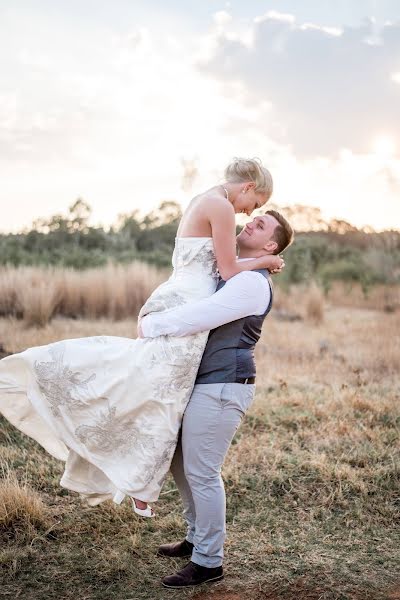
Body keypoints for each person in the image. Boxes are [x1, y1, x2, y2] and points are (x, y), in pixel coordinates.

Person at [0, 158, 283, 518]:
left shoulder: (204, 199)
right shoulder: (222, 207)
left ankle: (138, 480)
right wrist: (264, 263)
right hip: (190, 301)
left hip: (179, 292)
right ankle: (138, 483)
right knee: (161, 392)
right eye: (253, 205)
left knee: (151, 385)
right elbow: (227, 269)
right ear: (247, 187)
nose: (246, 213)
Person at [139, 210, 294, 588]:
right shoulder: (241, 273)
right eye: (252, 218)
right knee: (181, 463)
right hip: (207, 382)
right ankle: (196, 538)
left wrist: (151, 325)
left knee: (203, 472)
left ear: (271, 245)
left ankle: (209, 562)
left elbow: (201, 315)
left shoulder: (253, 285)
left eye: (261, 225)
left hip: (225, 385)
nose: (250, 223)